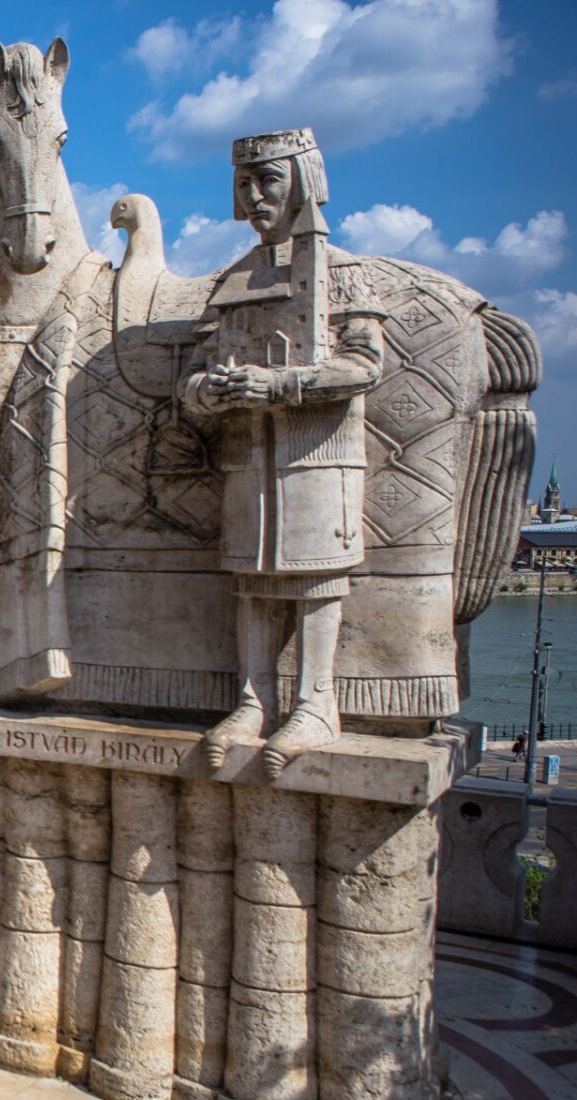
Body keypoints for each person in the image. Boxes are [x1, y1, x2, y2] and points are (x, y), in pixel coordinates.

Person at [178, 127, 386, 777]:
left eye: (268, 179)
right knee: (254, 579)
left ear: (303, 182)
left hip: (315, 451)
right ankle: (254, 696)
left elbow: (365, 365)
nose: (255, 194)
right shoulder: (233, 281)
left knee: (317, 573)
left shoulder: (344, 272)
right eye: (244, 183)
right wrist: (210, 390)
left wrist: (283, 383)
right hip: (251, 455)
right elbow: (192, 377)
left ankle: (317, 698)